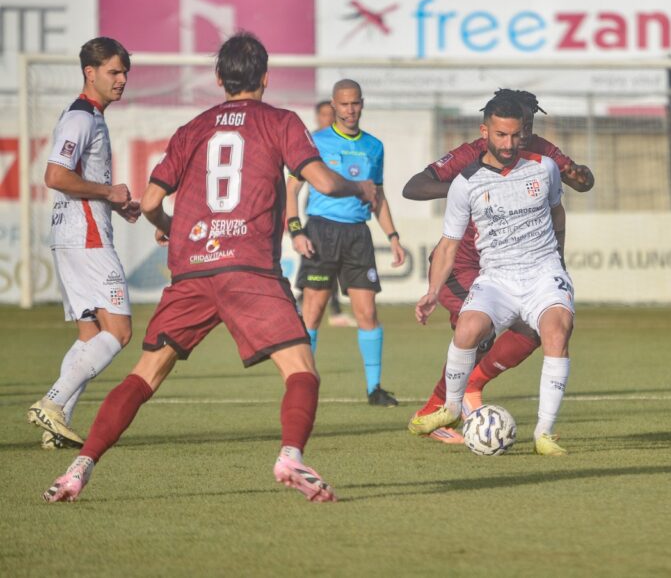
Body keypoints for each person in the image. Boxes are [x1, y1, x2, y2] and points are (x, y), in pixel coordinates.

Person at [42, 32, 378, 503]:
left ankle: (79, 468)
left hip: (193, 270)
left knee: (144, 375)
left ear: (219, 78)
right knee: (302, 370)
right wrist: (359, 189)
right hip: (249, 269)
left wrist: (169, 226)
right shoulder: (281, 121)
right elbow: (319, 178)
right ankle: (290, 455)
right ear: (264, 76)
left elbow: (153, 200)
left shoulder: (193, 127)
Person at [403, 88, 593, 444]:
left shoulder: (541, 152)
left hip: (526, 265)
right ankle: (438, 409)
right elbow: (413, 187)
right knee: (477, 332)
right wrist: (474, 189)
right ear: (490, 129)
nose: (519, 136)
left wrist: (580, 175)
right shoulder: (473, 156)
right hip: (465, 262)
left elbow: (577, 185)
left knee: (536, 331)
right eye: (512, 127)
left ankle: (472, 389)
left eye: (527, 125)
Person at [28, 37, 140, 450]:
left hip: (73, 234)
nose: (122, 79)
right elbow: (55, 176)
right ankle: (53, 402)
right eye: (114, 71)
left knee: (91, 334)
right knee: (120, 331)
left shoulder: (91, 117)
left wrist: (116, 202)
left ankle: (56, 426)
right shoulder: (81, 118)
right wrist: (109, 193)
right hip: (86, 238)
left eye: (125, 71)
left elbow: (75, 182)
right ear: (89, 73)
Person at [286, 79, 405, 407]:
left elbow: (377, 197)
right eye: (344, 104)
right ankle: (303, 386)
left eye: (355, 103)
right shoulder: (315, 141)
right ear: (334, 107)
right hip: (322, 232)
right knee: (312, 312)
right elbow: (292, 188)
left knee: (367, 312)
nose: (350, 109)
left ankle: (374, 389)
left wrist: (393, 237)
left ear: (362, 104)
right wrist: (296, 231)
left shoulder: (374, 146)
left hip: (358, 235)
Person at [314, 99, 357, 328]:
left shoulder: (344, 141)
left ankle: (332, 309)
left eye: (330, 114)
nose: (327, 119)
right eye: (323, 115)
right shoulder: (310, 142)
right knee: (321, 265)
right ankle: (333, 310)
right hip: (319, 214)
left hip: (342, 213)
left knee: (331, 265)